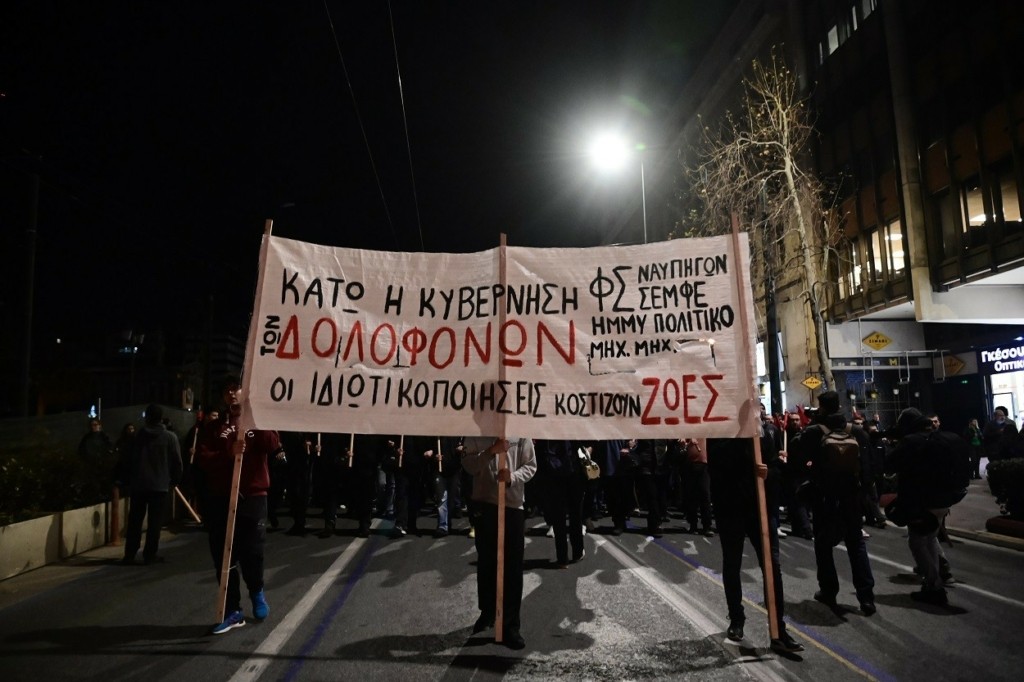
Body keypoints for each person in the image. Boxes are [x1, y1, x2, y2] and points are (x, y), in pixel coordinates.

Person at [196, 376, 282, 634]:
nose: (232, 394)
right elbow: (203, 458)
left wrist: (255, 417)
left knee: (252, 551)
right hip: (221, 497)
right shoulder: (215, 427)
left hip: (252, 495)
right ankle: (232, 610)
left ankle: (256, 591)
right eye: (227, 390)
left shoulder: (258, 419)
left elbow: (272, 445)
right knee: (224, 555)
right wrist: (228, 452)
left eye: (236, 389)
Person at [707, 437, 804, 655]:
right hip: (731, 510)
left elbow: (776, 469)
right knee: (732, 564)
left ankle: (778, 629)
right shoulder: (719, 437)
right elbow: (715, 472)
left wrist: (768, 473)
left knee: (772, 567)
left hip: (760, 511)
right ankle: (736, 618)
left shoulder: (762, 437)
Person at [791, 390, 876, 616]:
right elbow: (868, 467)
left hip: (825, 496)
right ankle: (866, 597)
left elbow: (798, 458)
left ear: (821, 407)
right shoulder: (856, 431)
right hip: (852, 496)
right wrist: (864, 494)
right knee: (856, 543)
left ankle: (829, 590)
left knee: (823, 544)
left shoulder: (814, 432)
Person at [885, 407, 970, 606]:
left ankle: (934, 586)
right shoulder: (939, 438)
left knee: (917, 542)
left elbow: (890, 464)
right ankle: (939, 576)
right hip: (946, 498)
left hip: (923, 501)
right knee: (930, 538)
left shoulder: (911, 441)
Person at [462, 436, 537, 650]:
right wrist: (490, 452)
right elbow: (468, 465)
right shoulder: (477, 434)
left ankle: (510, 625)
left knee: (512, 567)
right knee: (487, 562)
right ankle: (488, 612)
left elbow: (531, 466)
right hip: (484, 503)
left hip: (512, 506)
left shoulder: (521, 434)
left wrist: (512, 477)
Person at [121, 404, 183, 565]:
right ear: (161, 418)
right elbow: (177, 462)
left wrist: (127, 480)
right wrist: (174, 480)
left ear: (147, 417)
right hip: (160, 485)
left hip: (139, 484)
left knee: (135, 521)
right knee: (155, 523)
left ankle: (129, 554)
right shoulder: (170, 437)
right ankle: (150, 554)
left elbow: (127, 460)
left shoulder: (137, 437)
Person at [536, 439, 585, 565]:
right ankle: (577, 552)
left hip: (554, 473)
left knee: (559, 517)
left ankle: (563, 557)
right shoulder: (572, 429)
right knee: (575, 515)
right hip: (571, 471)